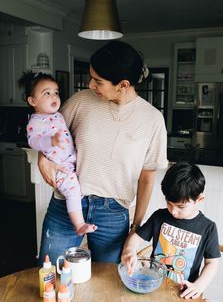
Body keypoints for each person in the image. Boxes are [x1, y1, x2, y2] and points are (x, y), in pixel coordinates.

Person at [37, 40, 168, 265]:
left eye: (98, 81)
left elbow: (146, 179)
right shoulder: (80, 101)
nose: (90, 85)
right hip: (65, 204)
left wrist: (135, 229)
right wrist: (42, 161)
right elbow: (49, 131)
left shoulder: (152, 120)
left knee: (108, 285)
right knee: (52, 275)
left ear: (123, 84)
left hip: (113, 213)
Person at [121, 161, 220, 299]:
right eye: (169, 203)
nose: (173, 211)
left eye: (180, 207)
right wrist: (129, 251)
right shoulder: (159, 216)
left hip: (183, 293)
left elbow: (212, 263)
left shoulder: (208, 228)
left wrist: (199, 286)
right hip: (153, 285)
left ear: (199, 199)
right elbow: (135, 239)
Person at [18, 70, 97, 236]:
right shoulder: (35, 122)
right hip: (59, 167)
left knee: (80, 186)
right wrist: (50, 141)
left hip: (71, 159)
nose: (54, 97)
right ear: (33, 100)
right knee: (73, 191)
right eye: (46, 93)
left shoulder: (58, 115)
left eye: (56, 92)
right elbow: (33, 142)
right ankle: (79, 224)